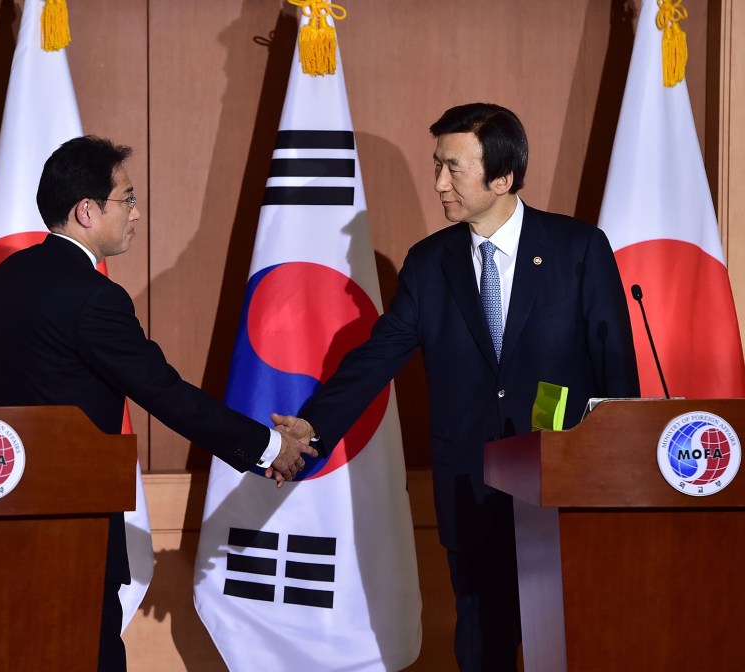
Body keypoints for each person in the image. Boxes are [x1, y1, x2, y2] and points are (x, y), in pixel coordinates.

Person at [273, 103, 640, 670]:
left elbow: (616, 371)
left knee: (575, 642)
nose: (439, 183)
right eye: (436, 165)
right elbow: (378, 356)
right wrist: (315, 423)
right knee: (479, 646)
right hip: (470, 485)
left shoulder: (578, 249)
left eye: (453, 168)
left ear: (503, 177)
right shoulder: (428, 263)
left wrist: (619, 479)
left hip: (564, 486)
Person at [0, 135, 315, 671]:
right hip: (74, 524)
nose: (135, 213)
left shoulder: (4, 280)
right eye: (127, 199)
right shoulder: (93, 296)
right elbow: (164, 393)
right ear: (87, 210)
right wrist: (268, 446)